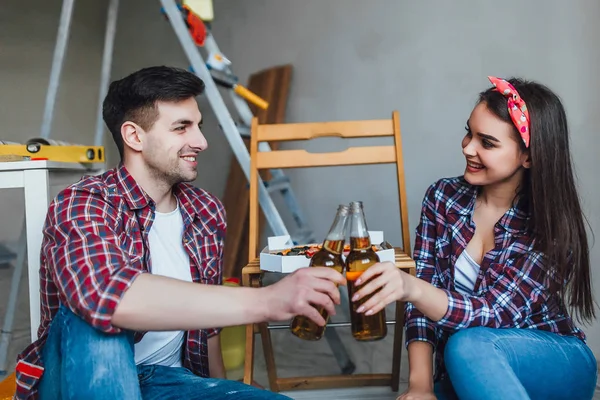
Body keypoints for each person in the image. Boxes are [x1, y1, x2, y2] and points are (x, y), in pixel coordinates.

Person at [14, 66, 345, 400]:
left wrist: (225, 388)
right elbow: (107, 297)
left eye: (198, 125)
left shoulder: (206, 211)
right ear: (134, 137)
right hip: (78, 377)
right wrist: (267, 300)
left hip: (169, 383)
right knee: (94, 315)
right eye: (181, 128)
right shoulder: (84, 203)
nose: (200, 141)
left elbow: (207, 330)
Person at [351, 76, 597, 400]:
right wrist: (420, 387)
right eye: (469, 132)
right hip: (469, 364)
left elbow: (492, 315)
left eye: (488, 142)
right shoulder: (443, 197)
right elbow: (422, 307)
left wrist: (411, 287)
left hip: (555, 364)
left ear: (529, 156)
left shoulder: (550, 227)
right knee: (453, 370)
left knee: (467, 343)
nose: (468, 147)